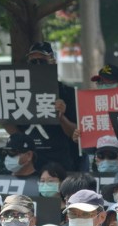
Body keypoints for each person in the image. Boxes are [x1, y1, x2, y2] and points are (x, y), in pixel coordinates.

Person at [20, 42, 79, 170]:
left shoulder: (67, 92)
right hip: (30, 163)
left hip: (60, 163)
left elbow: (75, 133)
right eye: (33, 62)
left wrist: (61, 117)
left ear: (53, 62)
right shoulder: (20, 93)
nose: (38, 65)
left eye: (42, 61)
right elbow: (15, 131)